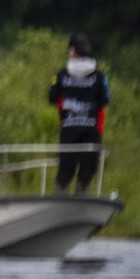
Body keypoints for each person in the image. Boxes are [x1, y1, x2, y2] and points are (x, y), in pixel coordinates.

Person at [48, 32, 110, 194]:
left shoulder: (61, 75)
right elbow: (105, 99)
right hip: (91, 130)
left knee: (64, 170)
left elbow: (52, 97)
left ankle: (59, 200)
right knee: (87, 171)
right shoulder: (98, 76)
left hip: (69, 128)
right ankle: (82, 198)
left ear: (73, 51)